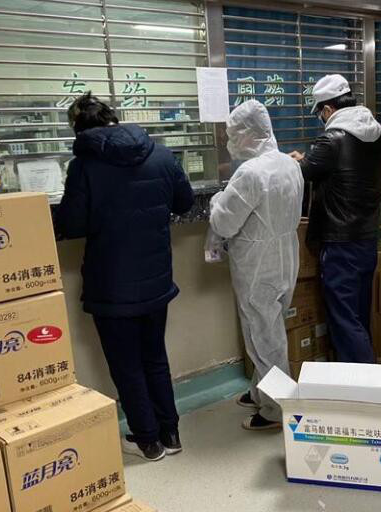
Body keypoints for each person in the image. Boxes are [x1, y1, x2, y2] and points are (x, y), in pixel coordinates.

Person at [55, 92, 194, 462]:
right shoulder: (160, 153)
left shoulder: (84, 165)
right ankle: (171, 433)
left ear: (79, 129)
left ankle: (147, 440)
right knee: (155, 356)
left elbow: (72, 224)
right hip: (156, 278)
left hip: (111, 282)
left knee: (126, 364)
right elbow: (184, 202)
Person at [209, 100, 304, 430]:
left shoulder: (250, 173)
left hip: (257, 263)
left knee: (263, 335)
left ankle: (277, 409)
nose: (230, 141)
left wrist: (216, 202)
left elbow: (224, 223)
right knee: (270, 329)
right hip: (286, 255)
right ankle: (261, 391)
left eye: (234, 134)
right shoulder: (289, 164)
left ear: (249, 135)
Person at [290, 74, 381, 364]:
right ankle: (362, 375)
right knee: (358, 314)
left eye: (320, 113)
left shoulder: (332, 139)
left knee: (344, 320)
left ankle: (364, 381)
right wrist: (309, 161)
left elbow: (303, 173)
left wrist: (297, 162)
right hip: (367, 237)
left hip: (340, 242)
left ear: (328, 109)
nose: (321, 119)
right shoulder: (377, 133)